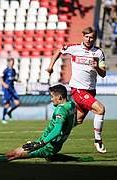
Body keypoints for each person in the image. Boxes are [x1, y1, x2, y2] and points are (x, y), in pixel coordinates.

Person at [0, 84, 80, 163]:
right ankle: (75, 159)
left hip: (48, 145)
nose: (51, 99)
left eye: (52, 97)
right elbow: (74, 122)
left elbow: (56, 130)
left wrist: (40, 143)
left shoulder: (60, 109)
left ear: (59, 97)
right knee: (50, 157)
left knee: (13, 154)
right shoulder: (71, 105)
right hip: (54, 145)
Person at [46, 26, 107, 154]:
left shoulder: (98, 53)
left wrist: (97, 67)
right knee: (100, 109)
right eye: (87, 36)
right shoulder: (74, 48)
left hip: (90, 90)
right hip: (78, 89)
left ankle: (53, 137)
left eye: (92, 37)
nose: (89, 39)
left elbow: (103, 74)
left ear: (95, 38)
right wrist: (51, 66)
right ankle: (98, 140)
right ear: (83, 36)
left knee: (77, 120)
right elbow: (59, 51)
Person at [0, 58, 20, 124]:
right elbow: (1, 78)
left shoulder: (14, 70)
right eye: (11, 62)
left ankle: (9, 112)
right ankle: (3, 118)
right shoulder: (6, 70)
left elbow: (12, 78)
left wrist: (17, 80)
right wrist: (4, 84)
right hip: (7, 90)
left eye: (13, 62)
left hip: (12, 89)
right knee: (7, 104)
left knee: (17, 103)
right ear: (8, 63)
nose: (12, 63)